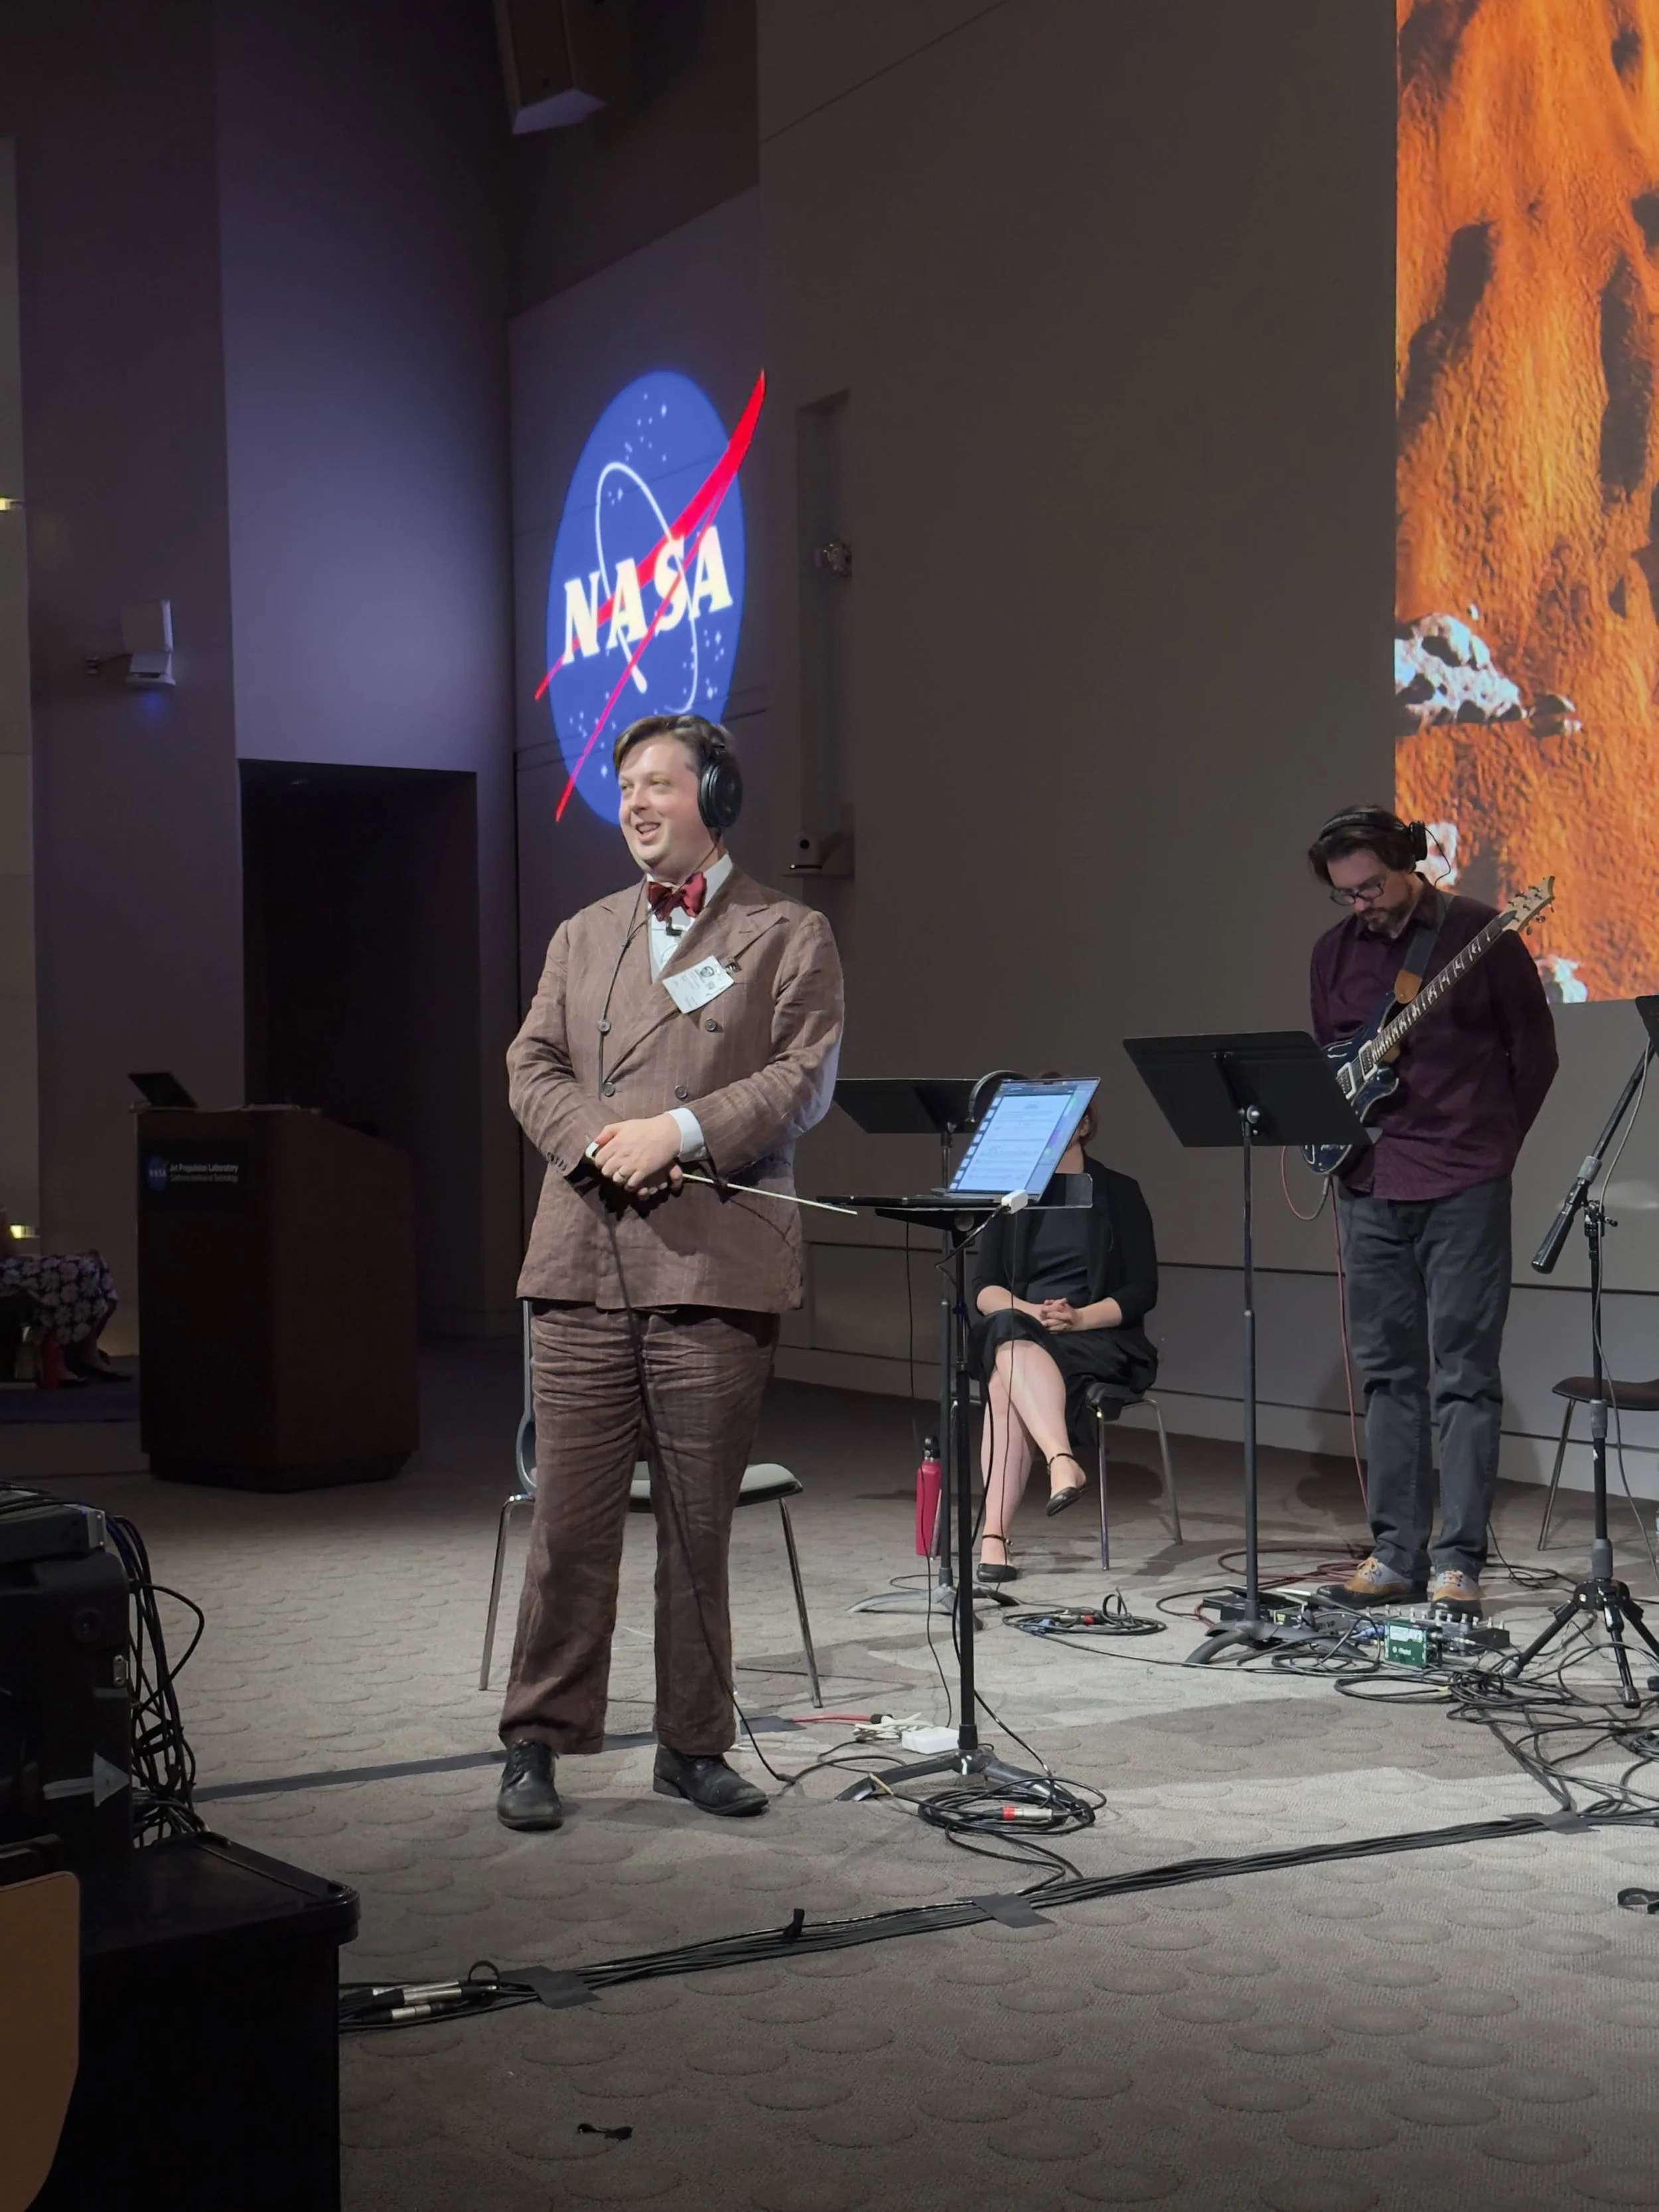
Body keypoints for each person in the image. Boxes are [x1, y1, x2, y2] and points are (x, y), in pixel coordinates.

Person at [494, 713, 843, 1832]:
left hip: (715, 1262)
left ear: (716, 798)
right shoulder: (583, 931)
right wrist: (603, 1140)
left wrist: (679, 1132)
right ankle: (537, 1740)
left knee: (699, 1528)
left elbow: (801, 1076)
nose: (638, 803)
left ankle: (693, 1744)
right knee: (569, 1524)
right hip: (583, 1256)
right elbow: (531, 1063)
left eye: (660, 782)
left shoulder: (789, 930)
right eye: (627, 785)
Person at [1307, 806, 1558, 1617]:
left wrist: (1492, 1145)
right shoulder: (1332, 953)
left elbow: (1535, 1053)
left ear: (1407, 863)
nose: (1362, 905)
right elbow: (1332, 1059)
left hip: (1463, 1181)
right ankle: (1394, 1553)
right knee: (1387, 1375)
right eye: (1346, 894)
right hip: (1372, 1183)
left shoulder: (1479, 933)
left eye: (1372, 887)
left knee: (1464, 1377)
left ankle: (1458, 1562)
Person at [968, 1091, 1158, 1582]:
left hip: (1094, 1335)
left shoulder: (1119, 1191)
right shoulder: (1013, 1199)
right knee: (1008, 1337)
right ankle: (1061, 1460)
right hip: (1022, 1327)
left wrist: (1079, 1318)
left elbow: (1143, 1289)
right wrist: (1032, 1311)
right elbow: (984, 1289)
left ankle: (995, 1537)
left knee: (1003, 1379)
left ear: (1084, 1126)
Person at [0, 1212, 120, 1384]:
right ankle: (59, 1351)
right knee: (79, 1269)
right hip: (5, 1274)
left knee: (94, 1260)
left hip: (9, 1267)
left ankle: (87, 1351)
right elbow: (8, 1247)